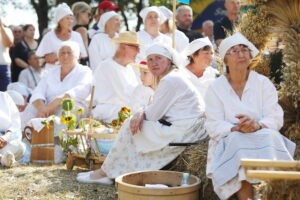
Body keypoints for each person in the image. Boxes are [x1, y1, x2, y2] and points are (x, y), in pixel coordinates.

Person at [76, 43, 207, 184]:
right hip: (189, 127)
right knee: (134, 125)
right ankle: (109, 172)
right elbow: (154, 112)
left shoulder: (171, 80)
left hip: (187, 131)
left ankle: (106, 172)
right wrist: (141, 113)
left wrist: (140, 113)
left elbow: (152, 116)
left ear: (169, 60)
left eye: (158, 58)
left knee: (130, 126)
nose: (153, 63)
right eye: (150, 59)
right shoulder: (172, 77)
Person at [205, 32, 295, 200]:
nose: (241, 54)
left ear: (250, 56)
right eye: (235, 51)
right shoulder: (215, 88)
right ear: (225, 59)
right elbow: (213, 123)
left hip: (262, 132)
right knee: (238, 143)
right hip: (230, 136)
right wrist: (235, 128)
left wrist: (257, 125)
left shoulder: (263, 83)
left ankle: (267, 192)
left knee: (270, 137)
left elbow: (275, 116)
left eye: (244, 50)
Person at [68, 31, 141, 122]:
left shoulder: (129, 68)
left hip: (122, 110)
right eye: (136, 48)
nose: (139, 51)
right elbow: (127, 95)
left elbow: (135, 93)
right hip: (108, 112)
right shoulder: (108, 66)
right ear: (123, 47)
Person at [21, 41, 92, 127]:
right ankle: (29, 138)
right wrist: (42, 108)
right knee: (31, 109)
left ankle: (57, 139)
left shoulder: (84, 71)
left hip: (69, 105)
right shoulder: (50, 72)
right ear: (58, 56)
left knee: (68, 111)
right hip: (46, 107)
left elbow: (80, 90)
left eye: (69, 52)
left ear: (77, 56)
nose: (65, 56)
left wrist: (54, 104)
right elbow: (38, 91)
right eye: (62, 53)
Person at [36, 3, 87, 70]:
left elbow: (81, 56)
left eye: (71, 19)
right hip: (52, 73)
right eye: (67, 18)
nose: (70, 21)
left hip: (72, 72)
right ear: (60, 20)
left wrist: (57, 56)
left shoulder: (77, 36)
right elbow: (48, 59)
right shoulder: (49, 36)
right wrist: (69, 55)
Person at [0, 91, 26, 167]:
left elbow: (15, 123)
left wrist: (5, 137)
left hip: (5, 140)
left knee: (20, 146)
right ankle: (2, 159)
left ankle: (4, 159)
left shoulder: (4, 96)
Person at [0, 18, 14, 91]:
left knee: (6, 94)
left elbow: (8, 43)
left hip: (3, 66)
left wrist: (1, 27)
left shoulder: (7, 30)